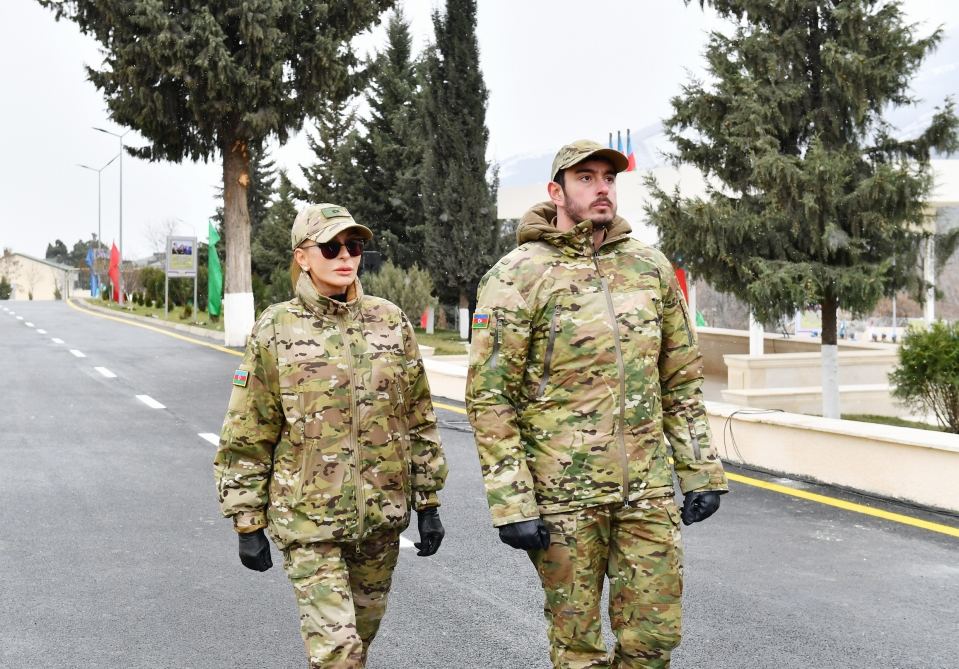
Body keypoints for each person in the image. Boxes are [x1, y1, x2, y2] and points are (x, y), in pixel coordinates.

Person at [466, 140, 728, 669]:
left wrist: (700, 471)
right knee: (577, 650)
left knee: (653, 643)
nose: (602, 186)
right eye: (585, 177)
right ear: (555, 191)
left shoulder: (648, 268)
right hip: (564, 499)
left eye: (609, 177)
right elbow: (490, 397)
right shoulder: (516, 275)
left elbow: (679, 381)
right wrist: (512, 503)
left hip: (646, 494)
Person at [214, 203, 448, 669]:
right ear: (303, 256)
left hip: (380, 520)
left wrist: (429, 504)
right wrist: (247, 521)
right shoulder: (276, 329)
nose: (345, 256)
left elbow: (418, 417)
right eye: (331, 247)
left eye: (355, 246)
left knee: (359, 644)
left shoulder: (390, 322)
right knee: (337, 654)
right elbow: (248, 430)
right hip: (308, 523)